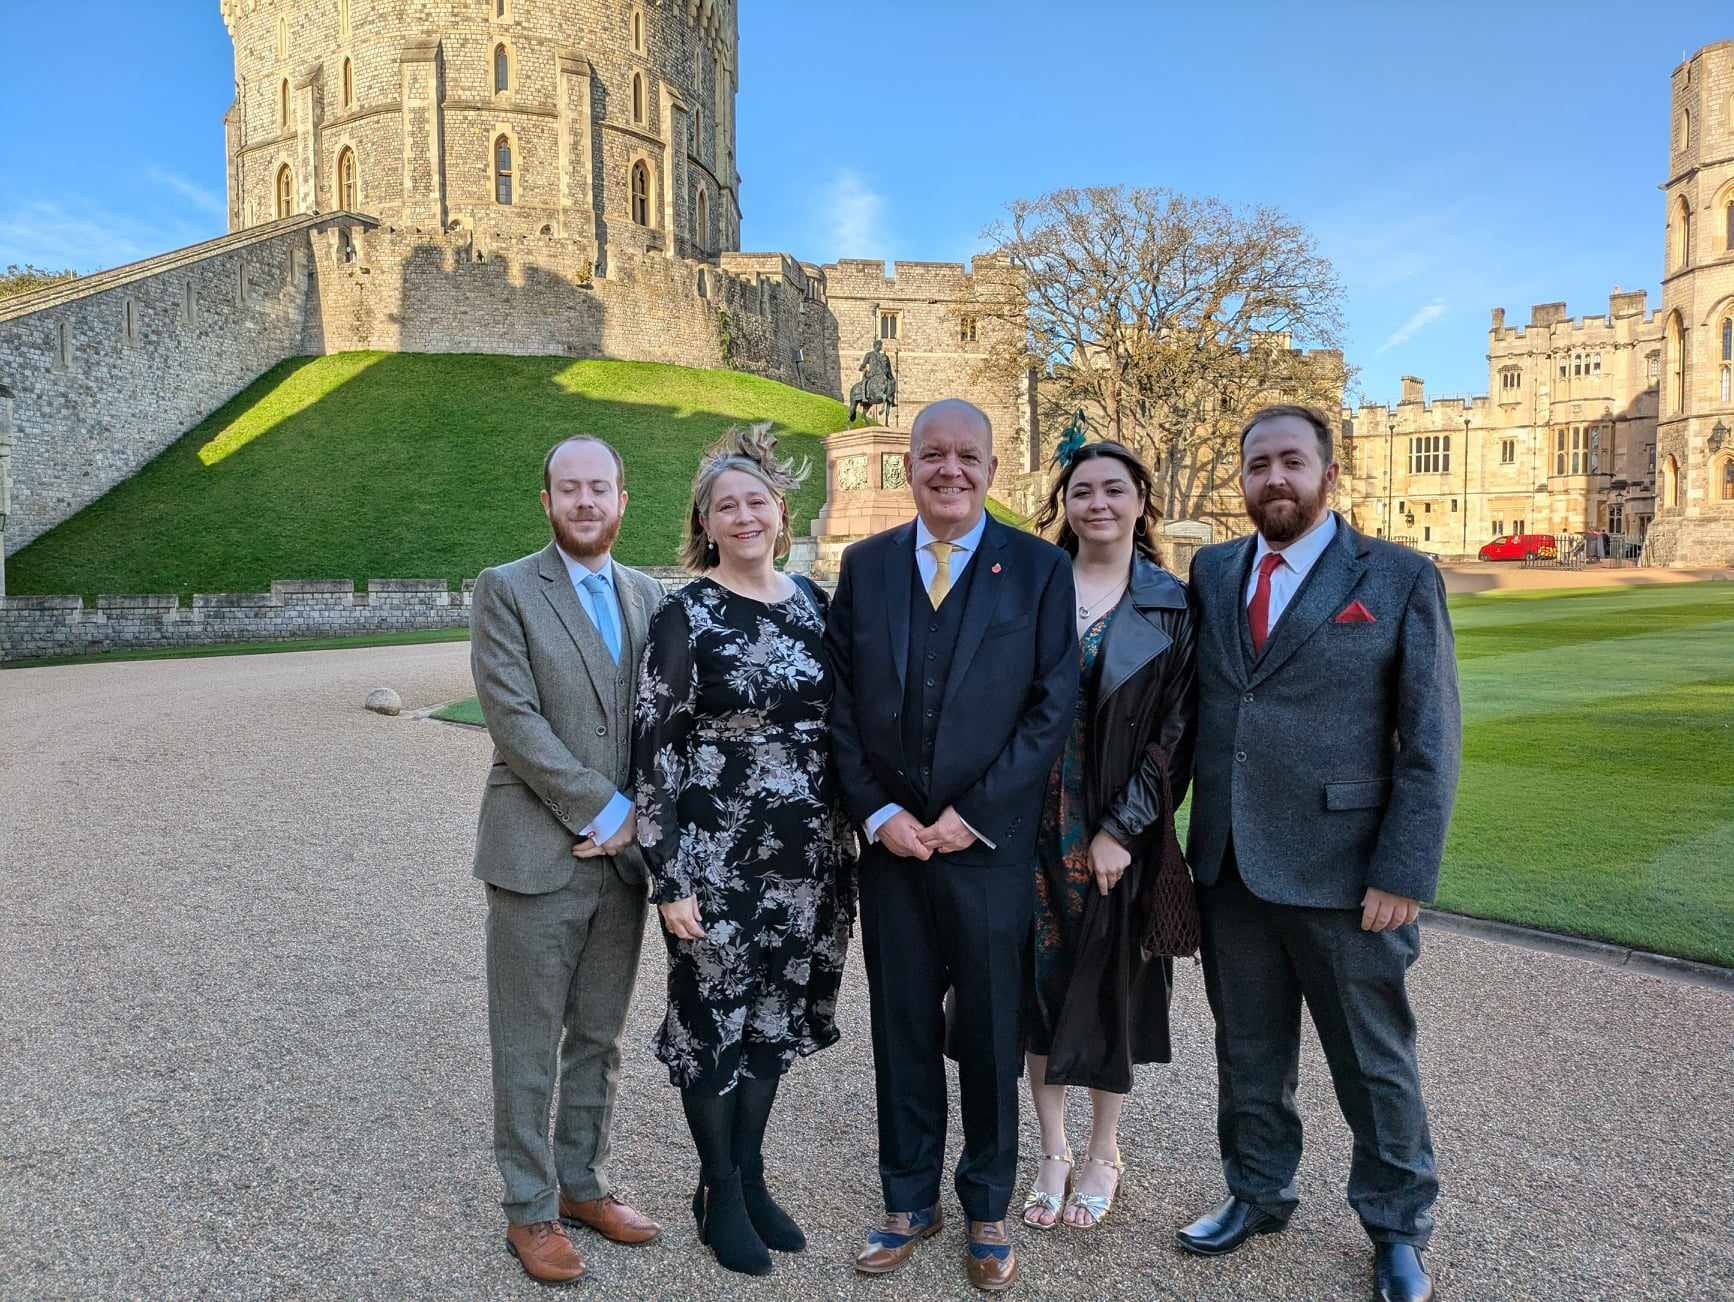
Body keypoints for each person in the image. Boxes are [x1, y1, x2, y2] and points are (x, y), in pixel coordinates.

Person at [1176, 405, 1460, 1302]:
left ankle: (1396, 1227)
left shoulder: (1398, 576)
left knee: (1373, 1063)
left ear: (1328, 474)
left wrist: (1403, 872)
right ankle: (1257, 1192)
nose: (1274, 480)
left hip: (1346, 871)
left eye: (1291, 462)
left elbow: (1430, 738)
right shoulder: (1214, 569)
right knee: (1248, 1051)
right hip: (1229, 863)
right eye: (1258, 464)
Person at [826, 398, 1077, 1292]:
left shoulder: (1040, 569)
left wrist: (974, 813)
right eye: (932, 454)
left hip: (987, 849)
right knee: (898, 1027)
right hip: (892, 851)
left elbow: (1052, 707)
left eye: (967, 455)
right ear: (908, 467)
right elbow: (841, 705)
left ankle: (987, 1206)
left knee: (990, 1031)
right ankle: (907, 1198)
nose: (949, 470)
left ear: (992, 469)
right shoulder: (866, 564)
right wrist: (876, 814)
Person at [632, 424, 855, 1278]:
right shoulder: (685, 611)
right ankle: (717, 1189)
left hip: (807, 857)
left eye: (756, 501)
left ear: (780, 510)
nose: (744, 515)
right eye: (727, 506)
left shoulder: (811, 602)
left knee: (773, 1023)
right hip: (717, 857)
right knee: (713, 1026)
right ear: (707, 522)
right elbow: (655, 746)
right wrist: (668, 877)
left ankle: (750, 1173)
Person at [468, 436, 667, 1285]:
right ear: (545, 501)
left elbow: (665, 725)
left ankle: (582, 1182)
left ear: (623, 501)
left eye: (600, 488)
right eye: (569, 489)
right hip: (538, 850)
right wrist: (610, 809)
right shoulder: (506, 589)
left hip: (621, 865)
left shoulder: (651, 595)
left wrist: (641, 823)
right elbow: (514, 720)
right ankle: (530, 1208)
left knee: (598, 1036)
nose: (586, 502)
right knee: (525, 1041)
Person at [1019, 440, 1198, 1233]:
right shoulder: (1033, 588)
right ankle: (1051, 1149)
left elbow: (1177, 732)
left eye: (1113, 490)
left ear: (1139, 502)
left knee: (1114, 991)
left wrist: (1124, 828)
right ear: (1065, 503)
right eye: (1082, 490)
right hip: (1029, 825)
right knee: (1038, 989)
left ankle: (1104, 1151)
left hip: (1119, 828)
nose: (1097, 503)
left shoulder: (1170, 603)